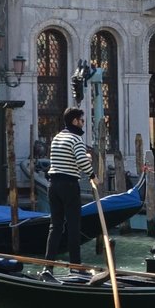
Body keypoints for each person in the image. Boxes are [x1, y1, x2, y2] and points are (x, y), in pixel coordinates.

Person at [45, 106, 93, 263]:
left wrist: (83, 159)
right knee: (73, 226)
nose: (83, 124)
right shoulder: (76, 139)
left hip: (53, 185)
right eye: (82, 121)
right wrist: (93, 175)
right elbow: (80, 162)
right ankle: (75, 266)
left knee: (56, 226)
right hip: (69, 186)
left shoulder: (57, 138)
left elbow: (68, 160)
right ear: (75, 121)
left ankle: (48, 266)